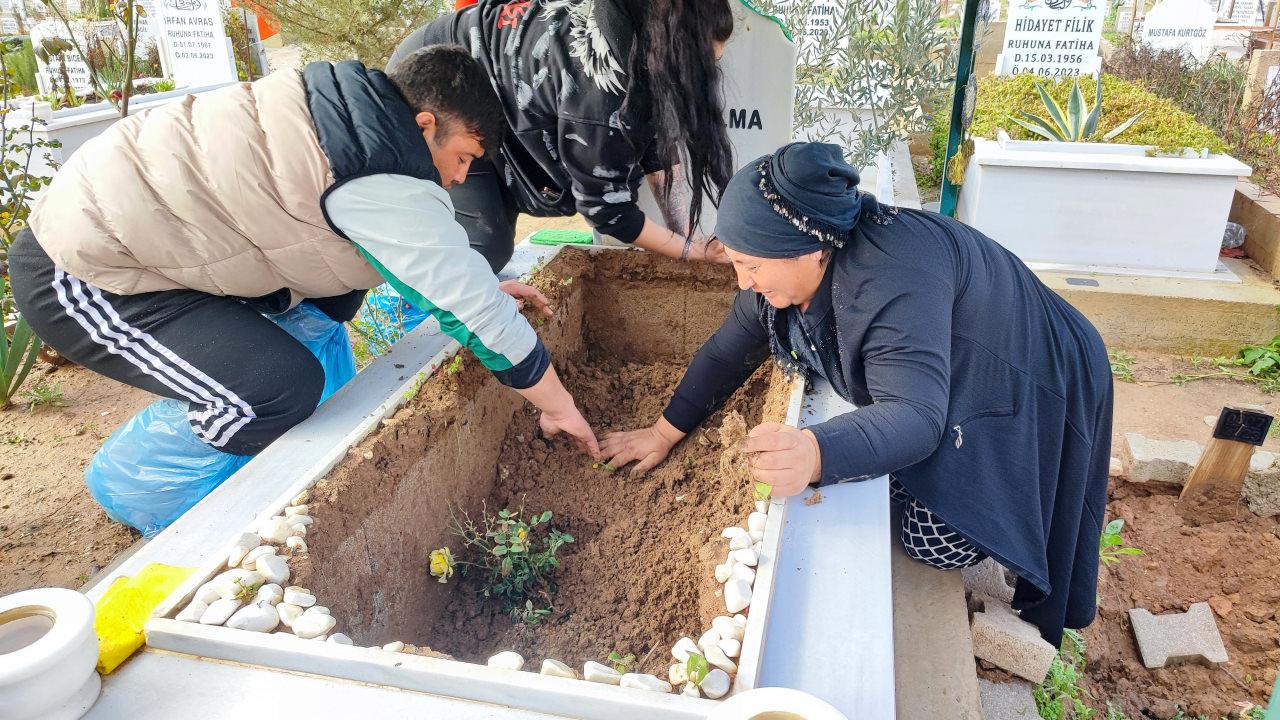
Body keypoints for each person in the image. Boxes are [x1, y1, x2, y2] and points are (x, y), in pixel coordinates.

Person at [599, 142, 1114, 645]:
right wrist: (662, 433)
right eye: (736, 262)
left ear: (812, 248)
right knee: (890, 465)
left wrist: (814, 451)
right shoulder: (783, 271)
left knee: (930, 540)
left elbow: (914, 413)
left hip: (1032, 366)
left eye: (751, 266)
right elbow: (724, 354)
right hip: (947, 360)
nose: (743, 282)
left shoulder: (889, 278)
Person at [10, 46, 599, 464]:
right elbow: (473, 313)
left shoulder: (344, 105)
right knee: (279, 390)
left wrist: (479, 286)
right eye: (465, 156)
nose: (459, 177)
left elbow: (430, 264)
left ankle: (225, 390)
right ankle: (173, 472)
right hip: (83, 271)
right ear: (424, 125)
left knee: (342, 291)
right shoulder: (378, 170)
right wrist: (558, 406)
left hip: (152, 238)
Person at [389, 0, 736, 272]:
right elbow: (606, 210)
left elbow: (657, 151)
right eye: (699, 67)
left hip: (499, 92)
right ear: (671, 49)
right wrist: (692, 251)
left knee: (488, 240)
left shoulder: (642, 33)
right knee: (484, 245)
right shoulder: (602, 89)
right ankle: (450, 326)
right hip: (441, 86)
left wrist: (691, 238)